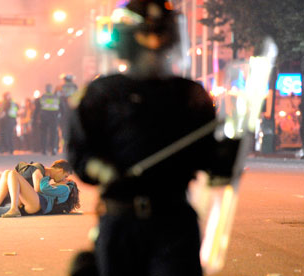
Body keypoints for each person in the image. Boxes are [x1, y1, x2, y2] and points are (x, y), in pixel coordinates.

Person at [67, 1, 238, 275]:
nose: (155, 46)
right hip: (121, 220)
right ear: (129, 40)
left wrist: (227, 156)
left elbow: (208, 160)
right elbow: (80, 154)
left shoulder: (190, 96)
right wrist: (104, 170)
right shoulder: (101, 94)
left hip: (174, 221)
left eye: (162, 34)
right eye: (148, 35)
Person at [38, 84, 61, 155]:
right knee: (53, 133)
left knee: (44, 133)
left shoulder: (43, 96)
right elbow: (61, 106)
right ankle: (53, 148)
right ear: (51, 89)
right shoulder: (56, 96)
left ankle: (44, 149)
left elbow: (38, 107)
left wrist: (35, 117)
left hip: (44, 117)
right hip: (54, 117)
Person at [57, 74, 78, 153]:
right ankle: (72, 146)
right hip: (72, 111)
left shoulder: (60, 87)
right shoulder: (74, 87)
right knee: (72, 129)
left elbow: (57, 99)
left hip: (63, 112)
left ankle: (64, 146)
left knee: (63, 129)